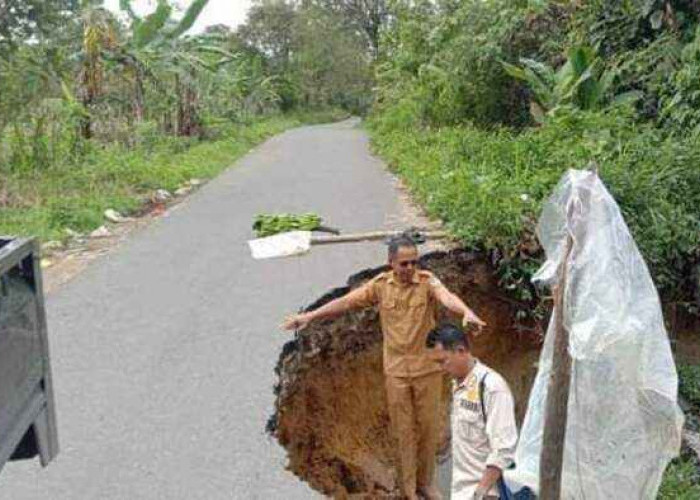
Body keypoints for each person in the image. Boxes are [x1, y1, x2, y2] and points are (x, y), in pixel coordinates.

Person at [281, 235, 486, 500]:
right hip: (397, 373)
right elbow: (346, 302)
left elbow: (447, 297)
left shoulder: (427, 282)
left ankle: (426, 483)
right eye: (403, 263)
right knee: (403, 432)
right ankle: (408, 489)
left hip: (428, 371)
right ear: (391, 263)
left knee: (428, 430)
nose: (410, 268)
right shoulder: (379, 287)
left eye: (414, 262)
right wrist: (308, 316)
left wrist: (466, 312)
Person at [426, 323, 518, 500]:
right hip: (461, 492)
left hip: (486, 494)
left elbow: (504, 449)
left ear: (461, 351)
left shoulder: (492, 387)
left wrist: (481, 492)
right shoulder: (458, 386)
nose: (440, 369)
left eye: (442, 361)